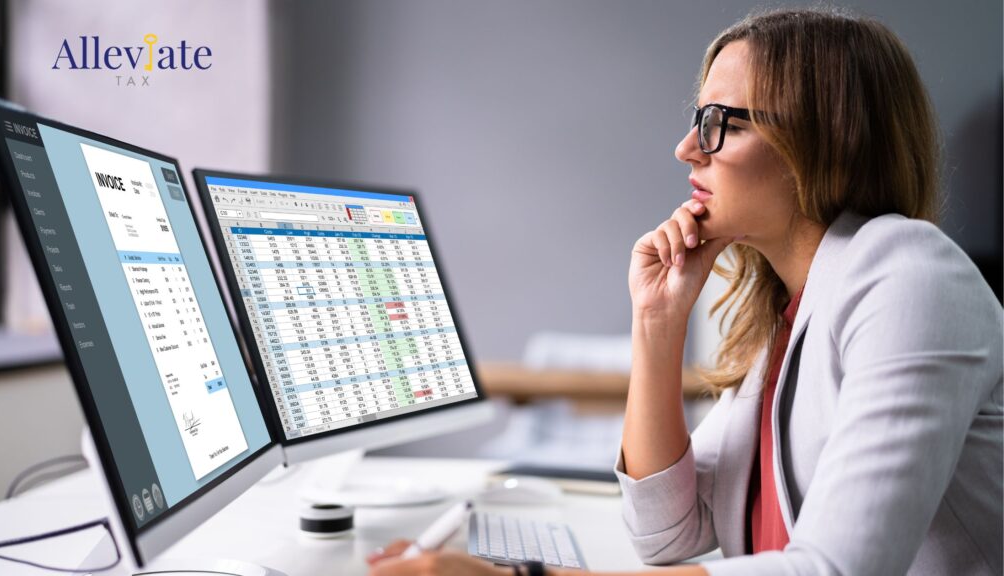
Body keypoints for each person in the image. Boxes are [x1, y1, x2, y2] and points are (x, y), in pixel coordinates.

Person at [366, 7, 1003, 576]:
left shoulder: (911, 276)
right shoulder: (789, 319)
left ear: (823, 140)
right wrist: (657, 321)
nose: (685, 149)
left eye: (719, 122)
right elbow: (665, 532)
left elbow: (837, 568)